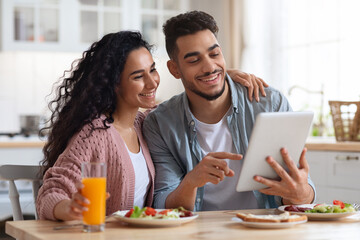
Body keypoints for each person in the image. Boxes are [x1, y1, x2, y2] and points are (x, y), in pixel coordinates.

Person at [36, 30, 266, 221]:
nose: (152, 82)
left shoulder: (145, 122)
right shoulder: (96, 133)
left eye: (153, 70)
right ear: (113, 84)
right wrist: (68, 208)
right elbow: (51, 191)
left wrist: (222, 78)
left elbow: (184, 103)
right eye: (138, 76)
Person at [142, 11, 316, 212]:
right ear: (174, 69)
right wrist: (191, 181)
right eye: (194, 60)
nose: (209, 67)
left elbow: (303, 193)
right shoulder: (160, 123)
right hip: (201, 232)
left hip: (265, 228)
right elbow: (164, 203)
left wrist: (302, 194)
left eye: (214, 54)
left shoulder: (270, 104)